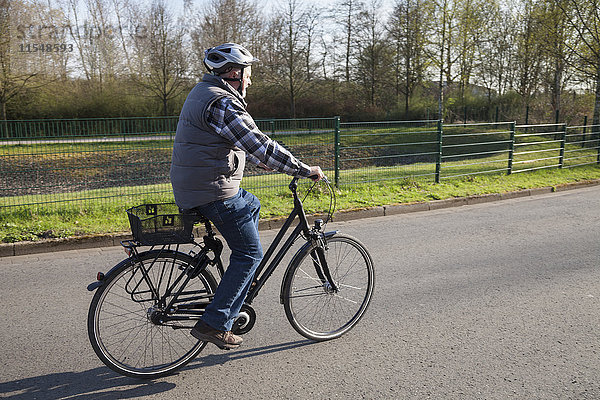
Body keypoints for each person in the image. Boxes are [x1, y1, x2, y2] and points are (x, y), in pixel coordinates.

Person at [170, 43, 324, 350]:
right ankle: (215, 323)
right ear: (233, 73)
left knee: (251, 203)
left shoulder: (203, 93)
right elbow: (259, 144)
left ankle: (240, 279)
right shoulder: (221, 102)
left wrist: (262, 161)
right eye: (248, 73)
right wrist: (303, 169)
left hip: (198, 185)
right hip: (212, 191)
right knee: (251, 253)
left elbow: (236, 144)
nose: (250, 80)